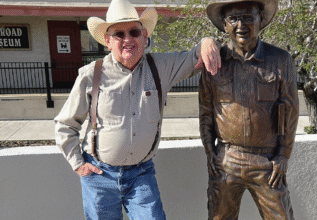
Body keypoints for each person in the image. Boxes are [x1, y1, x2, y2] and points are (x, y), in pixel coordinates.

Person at [54, 0, 220, 219]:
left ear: (144, 36)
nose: (127, 40)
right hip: (99, 177)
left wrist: (208, 41)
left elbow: (195, 56)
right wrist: (79, 165)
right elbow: (65, 124)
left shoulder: (161, 67)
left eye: (133, 32)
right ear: (107, 40)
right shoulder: (90, 75)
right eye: (119, 34)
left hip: (141, 174)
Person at [199, 0, 299, 219]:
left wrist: (283, 155)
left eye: (247, 17)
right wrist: (210, 153)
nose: (240, 25)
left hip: (267, 161)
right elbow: (206, 112)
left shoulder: (281, 60)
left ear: (260, 20)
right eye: (233, 19)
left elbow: (290, 112)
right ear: (225, 25)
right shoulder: (215, 62)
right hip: (227, 159)